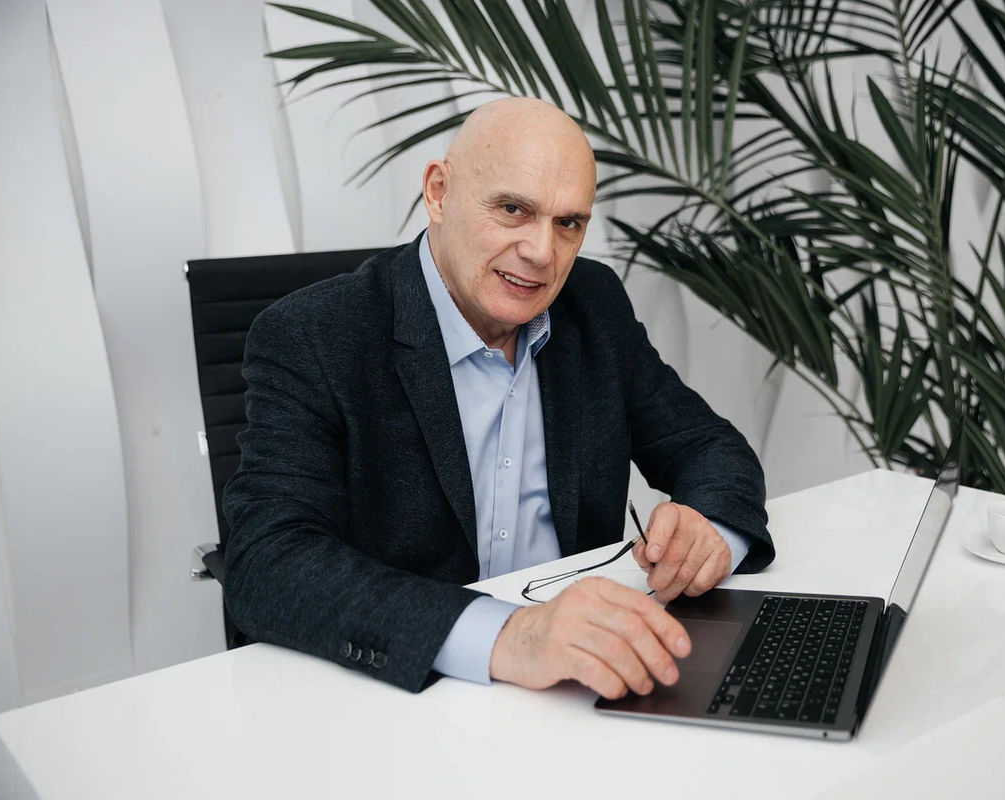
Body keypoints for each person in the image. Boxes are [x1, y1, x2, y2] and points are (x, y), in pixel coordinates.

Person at [222, 97, 775, 700]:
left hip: (578, 684)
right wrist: (510, 636)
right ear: (439, 193)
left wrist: (709, 532)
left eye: (569, 224)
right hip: (409, 691)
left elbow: (706, 445)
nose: (542, 253)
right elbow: (269, 561)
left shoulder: (592, 303)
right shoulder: (313, 335)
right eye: (513, 210)